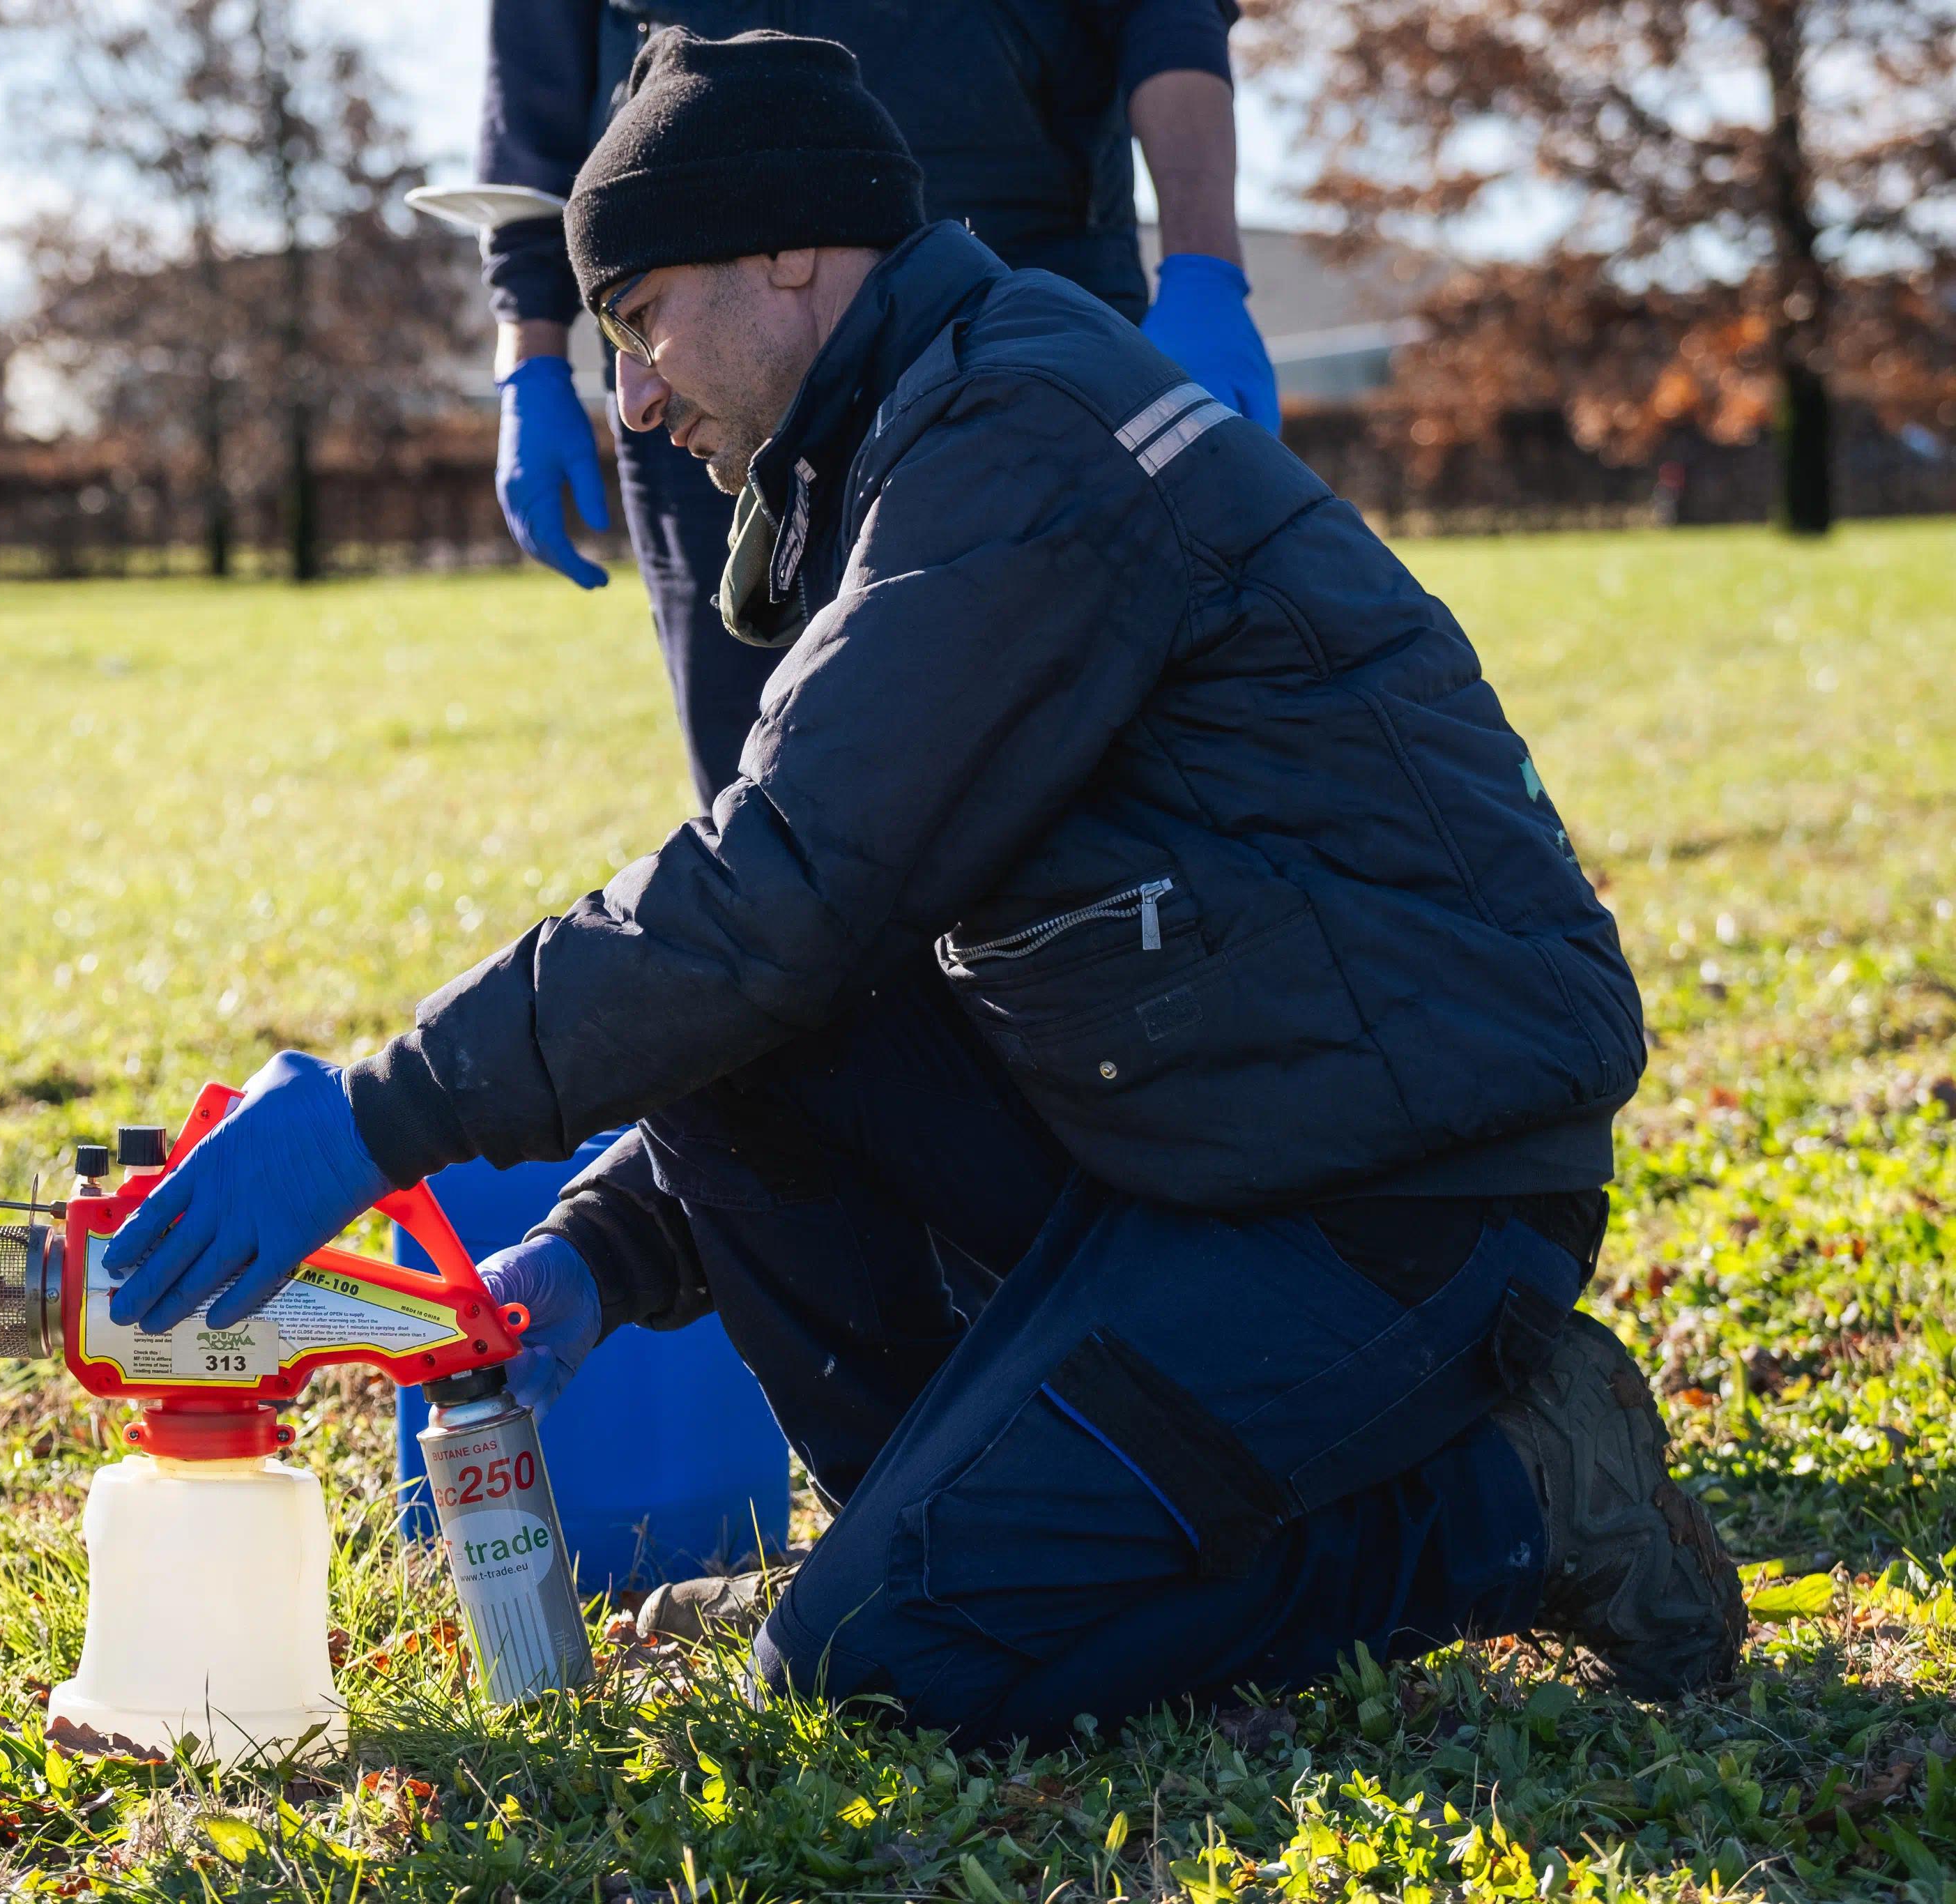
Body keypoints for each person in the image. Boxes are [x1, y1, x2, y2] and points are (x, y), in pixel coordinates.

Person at [104, 31, 1743, 1746]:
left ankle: (1512, 1505)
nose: (638, 398)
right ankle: (995, 1533)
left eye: (642, 320)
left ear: (788, 252)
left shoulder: (1016, 435)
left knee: (880, 1661)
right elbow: (799, 989)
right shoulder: (909, 434)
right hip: (1214, 1112)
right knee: (746, 1065)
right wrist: (595, 1255)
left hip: (1395, 1180)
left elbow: (780, 891)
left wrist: (378, 1118)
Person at [473, 0, 1281, 805]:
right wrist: (533, 358)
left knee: (1082, 772)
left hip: (1022, 267)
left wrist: (1204, 265)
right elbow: (531, 85)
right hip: (703, 323)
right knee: (760, 786)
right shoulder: (670, 373)